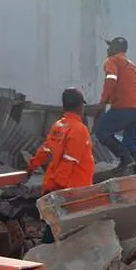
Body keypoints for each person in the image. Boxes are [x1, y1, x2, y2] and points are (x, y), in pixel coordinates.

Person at [27, 88, 96, 243]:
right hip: (73, 190)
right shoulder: (79, 129)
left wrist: (31, 166)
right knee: (63, 231)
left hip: (57, 186)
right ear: (80, 106)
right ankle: (44, 255)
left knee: (54, 227)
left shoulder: (58, 126)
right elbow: (69, 160)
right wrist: (60, 187)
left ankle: (45, 252)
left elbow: (45, 149)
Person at [92, 37, 136, 174]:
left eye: (110, 46)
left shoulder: (112, 60)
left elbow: (111, 81)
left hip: (125, 107)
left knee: (102, 132)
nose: (108, 49)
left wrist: (102, 103)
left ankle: (125, 158)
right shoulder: (133, 66)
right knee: (130, 142)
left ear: (118, 48)